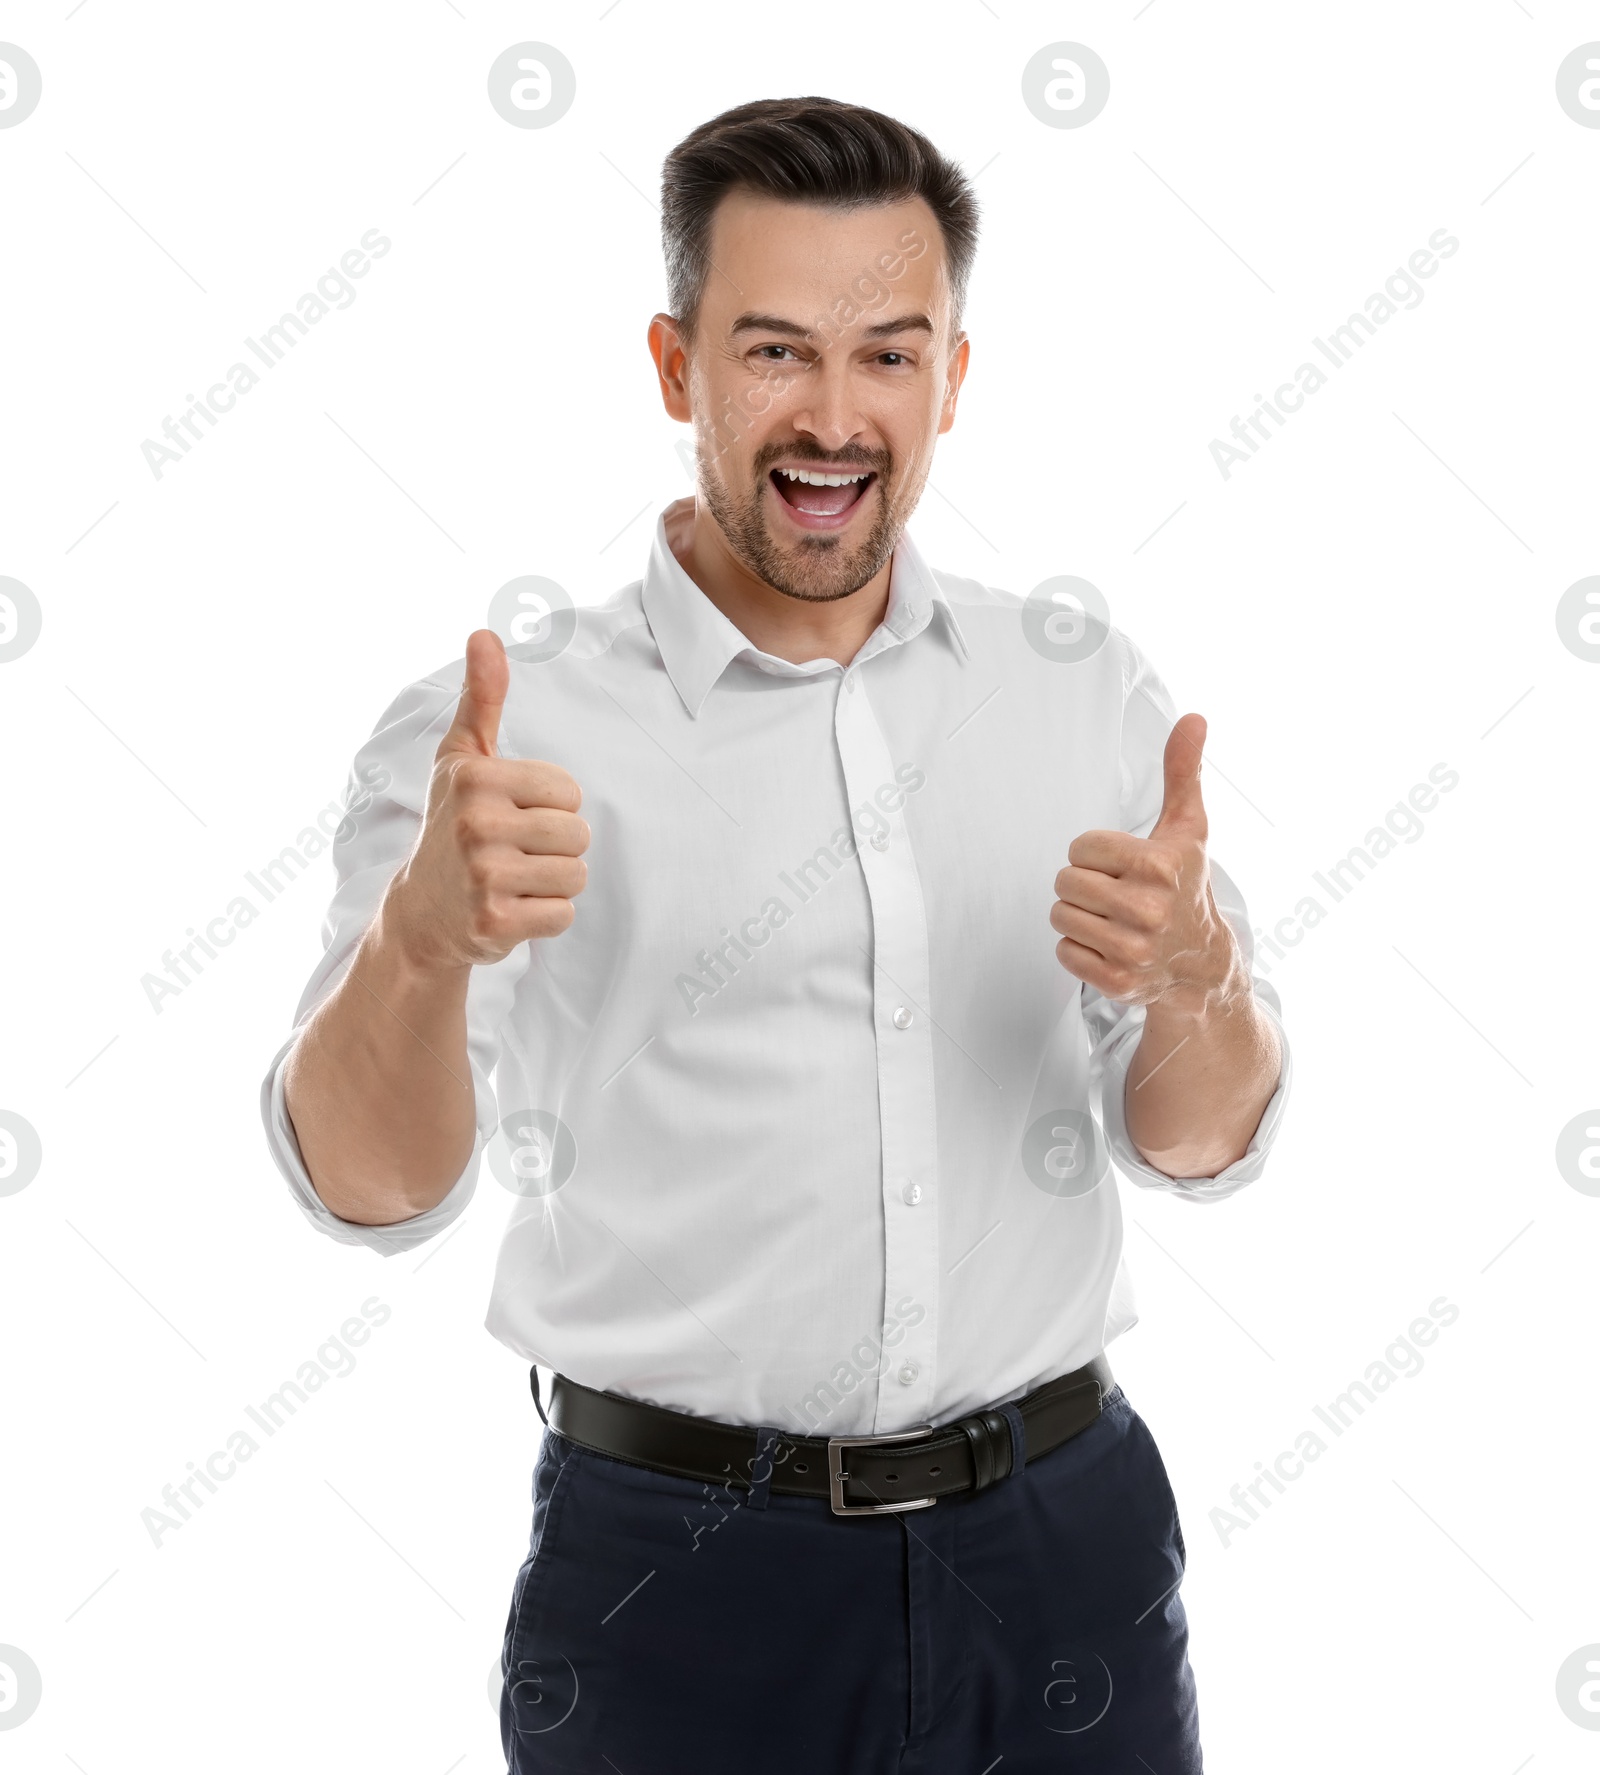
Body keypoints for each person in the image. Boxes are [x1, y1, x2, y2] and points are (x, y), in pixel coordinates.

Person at [261, 95, 1291, 1774]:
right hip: (680, 1583)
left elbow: (1197, 1145)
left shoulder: (1078, 692)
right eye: (773, 352)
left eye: (890, 355)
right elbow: (365, 1191)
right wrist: (423, 947)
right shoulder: (500, 737)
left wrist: (1200, 985)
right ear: (676, 368)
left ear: (954, 377)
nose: (833, 416)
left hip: (1067, 1552)